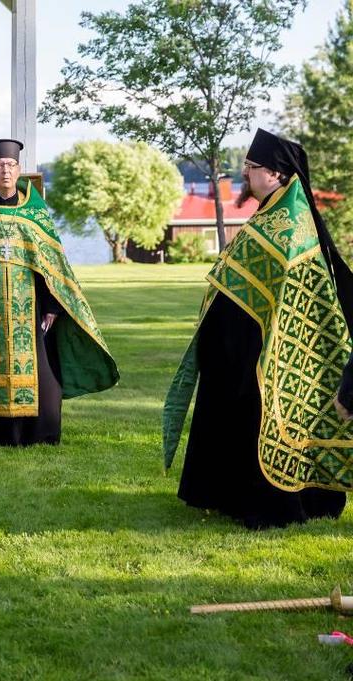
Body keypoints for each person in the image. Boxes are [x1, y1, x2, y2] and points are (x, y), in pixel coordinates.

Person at [164, 128, 353, 529]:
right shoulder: (270, 212)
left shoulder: (289, 222)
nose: (246, 173)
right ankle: (229, 495)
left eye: (252, 167)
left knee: (257, 418)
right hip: (238, 348)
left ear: (277, 173)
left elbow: (294, 295)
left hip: (265, 349)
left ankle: (266, 502)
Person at [0, 139, 118, 446]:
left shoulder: (35, 214)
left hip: (31, 308)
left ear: (19, 170)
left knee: (40, 370)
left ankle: (38, 433)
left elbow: (52, 265)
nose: (5, 171)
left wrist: (52, 306)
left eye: (10, 166)